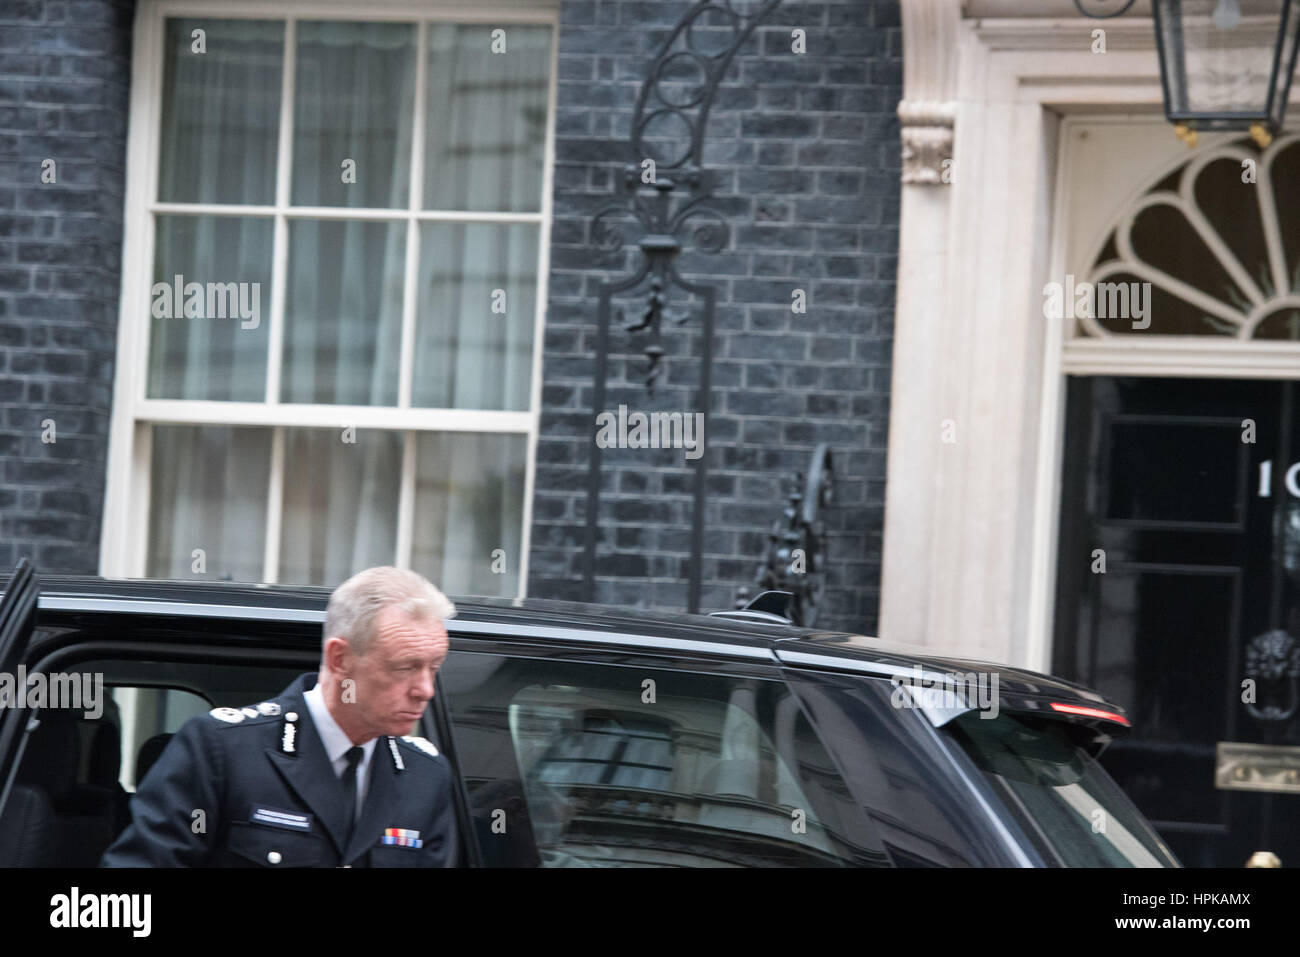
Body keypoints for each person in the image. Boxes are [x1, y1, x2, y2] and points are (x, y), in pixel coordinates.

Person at [101, 567, 457, 867]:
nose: (425, 689)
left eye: (434, 668)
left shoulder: (425, 776)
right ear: (340, 660)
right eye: (405, 667)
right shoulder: (224, 751)